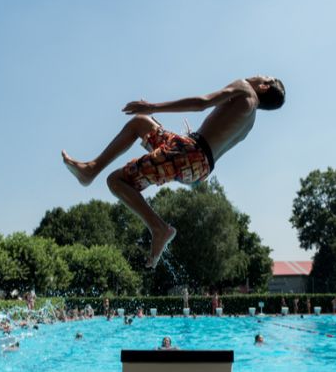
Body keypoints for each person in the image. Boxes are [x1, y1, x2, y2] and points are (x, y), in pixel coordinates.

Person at [62, 76, 285, 268]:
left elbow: (202, 103)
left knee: (116, 180)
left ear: (264, 86)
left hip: (188, 153)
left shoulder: (245, 88)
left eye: (261, 75)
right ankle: (90, 170)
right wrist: (189, 145)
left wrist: (153, 107)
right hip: (198, 166)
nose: (254, 74)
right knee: (140, 123)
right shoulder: (249, 122)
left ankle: (158, 228)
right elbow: (212, 150)